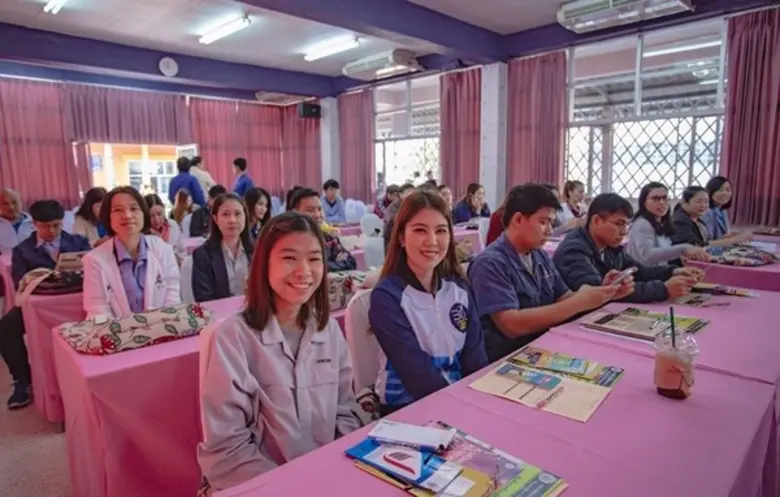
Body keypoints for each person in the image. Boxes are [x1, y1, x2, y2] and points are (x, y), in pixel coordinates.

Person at [197, 212, 362, 493]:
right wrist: (291, 487)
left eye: (314, 259)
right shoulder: (234, 338)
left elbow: (347, 412)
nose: (304, 271)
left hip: (325, 480)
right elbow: (228, 449)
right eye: (289, 258)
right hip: (262, 486)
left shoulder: (328, 331)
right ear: (263, 264)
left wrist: (330, 474)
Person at [468, 184, 627, 362]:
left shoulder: (539, 255)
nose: (550, 231)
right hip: (509, 359)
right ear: (518, 219)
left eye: (551, 223)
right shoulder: (490, 263)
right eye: (543, 222)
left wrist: (603, 292)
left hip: (545, 347)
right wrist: (579, 302)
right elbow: (512, 325)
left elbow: (564, 297)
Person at [369, 191, 488, 415]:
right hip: (406, 409)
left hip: (460, 402)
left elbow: (476, 360)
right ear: (401, 237)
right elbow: (417, 375)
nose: (432, 241)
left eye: (441, 231)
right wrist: (461, 407)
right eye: (420, 230)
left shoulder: (459, 289)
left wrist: (477, 403)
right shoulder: (387, 297)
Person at [0, 200, 90, 408]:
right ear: (34, 224)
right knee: (6, 327)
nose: (51, 231)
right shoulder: (23, 250)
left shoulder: (79, 243)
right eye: (45, 226)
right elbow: (20, 282)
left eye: (56, 225)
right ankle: (22, 380)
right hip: (38, 306)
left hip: (77, 304)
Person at [554, 193, 700, 305]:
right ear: (597, 221)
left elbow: (639, 271)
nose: (624, 232)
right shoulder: (574, 250)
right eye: (619, 224)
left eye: (626, 224)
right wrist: (663, 289)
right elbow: (598, 292)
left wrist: (673, 272)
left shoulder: (609, 245)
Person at [82, 187, 181, 318]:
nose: (127, 215)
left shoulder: (163, 250)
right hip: (114, 330)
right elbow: (98, 311)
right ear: (108, 217)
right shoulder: (94, 260)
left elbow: (172, 301)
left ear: (144, 214)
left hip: (162, 326)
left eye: (134, 209)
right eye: (118, 210)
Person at [627, 182, 710, 266]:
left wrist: (680, 256)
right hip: (644, 273)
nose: (662, 202)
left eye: (665, 198)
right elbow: (647, 255)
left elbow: (665, 252)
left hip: (660, 271)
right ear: (644, 202)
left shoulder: (661, 223)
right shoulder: (642, 224)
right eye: (655, 198)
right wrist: (683, 248)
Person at [192, 193, 254, 302]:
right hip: (218, 312)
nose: (232, 220)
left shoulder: (258, 250)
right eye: (225, 214)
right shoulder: (202, 255)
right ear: (215, 219)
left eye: (238, 214)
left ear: (245, 217)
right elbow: (204, 298)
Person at [290, 188, 356, 272]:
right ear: (295, 212)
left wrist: (328, 265)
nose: (317, 215)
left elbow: (351, 262)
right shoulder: (291, 241)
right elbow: (308, 268)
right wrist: (335, 263)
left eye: (320, 209)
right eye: (310, 210)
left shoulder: (328, 238)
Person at [671, 186, 745, 248]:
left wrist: (724, 239)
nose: (703, 205)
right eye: (698, 201)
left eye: (706, 202)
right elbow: (695, 246)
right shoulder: (679, 221)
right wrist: (730, 240)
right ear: (684, 202)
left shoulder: (697, 220)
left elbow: (705, 242)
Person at [701, 176, 751, 243]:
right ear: (710, 192)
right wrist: (733, 239)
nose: (724, 193)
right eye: (720, 190)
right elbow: (705, 243)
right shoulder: (706, 212)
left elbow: (723, 236)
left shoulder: (723, 211)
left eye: (728, 190)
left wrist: (734, 236)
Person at [144, 194, 186, 264]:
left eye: (159, 214)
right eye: (151, 216)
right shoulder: (142, 234)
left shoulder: (172, 225)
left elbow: (182, 251)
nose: (156, 220)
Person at [0, 189, 34, 255]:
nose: (11, 207)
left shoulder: (35, 223)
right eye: (5, 204)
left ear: (20, 202)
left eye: (14, 202)